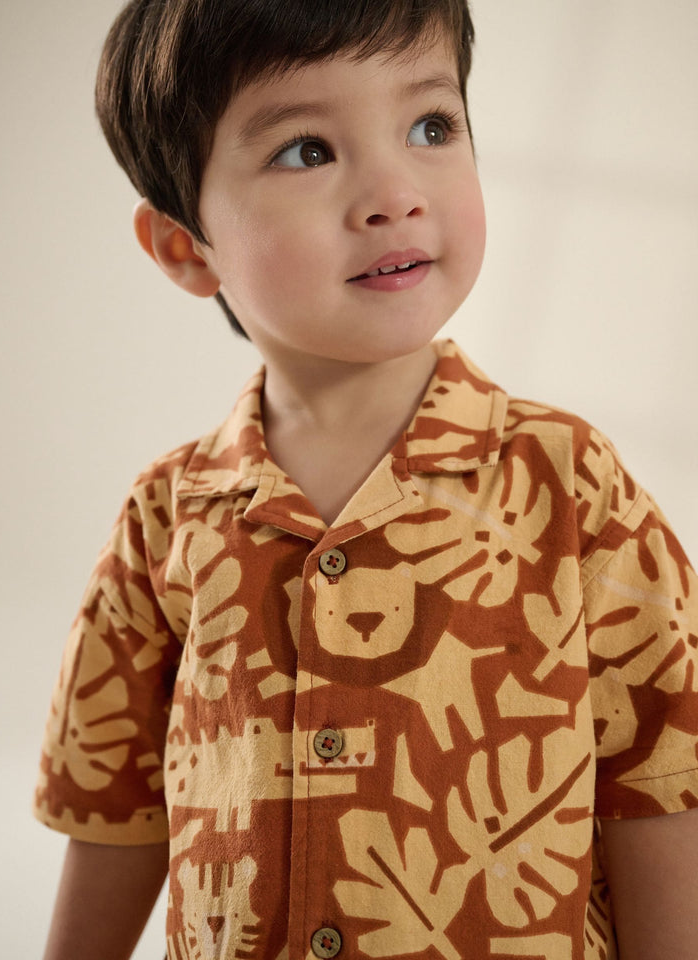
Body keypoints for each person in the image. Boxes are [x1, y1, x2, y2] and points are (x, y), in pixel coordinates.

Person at [35, 1, 698, 958]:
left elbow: (666, 779)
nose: (395, 193)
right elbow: (113, 807)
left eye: (431, 127)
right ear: (186, 246)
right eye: (307, 150)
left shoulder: (568, 482)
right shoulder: (165, 516)